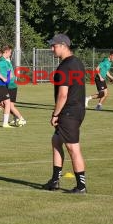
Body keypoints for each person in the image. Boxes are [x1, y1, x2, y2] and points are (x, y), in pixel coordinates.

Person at [43, 34, 87, 194]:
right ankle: (55, 180)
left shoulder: (65, 67)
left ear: (63, 45)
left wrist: (55, 114)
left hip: (68, 111)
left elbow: (63, 94)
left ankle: (81, 186)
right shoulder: (77, 63)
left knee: (72, 147)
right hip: (77, 109)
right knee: (56, 140)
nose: (51, 49)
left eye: (53, 46)